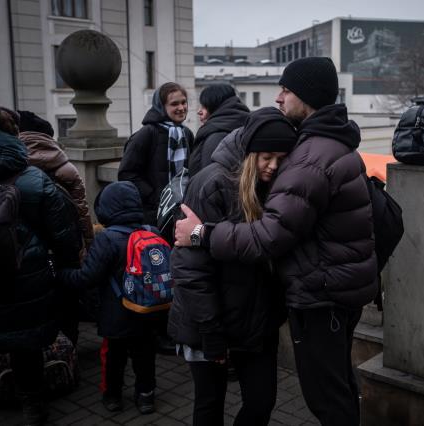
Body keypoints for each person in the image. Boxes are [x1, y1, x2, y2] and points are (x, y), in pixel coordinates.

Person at [175, 57, 378, 425]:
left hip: (319, 297)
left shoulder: (309, 158)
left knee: (326, 397)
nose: (280, 97)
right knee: (333, 389)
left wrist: (203, 234)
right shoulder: (332, 144)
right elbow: (191, 273)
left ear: (307, 95)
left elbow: (269, 236)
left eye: (286, 89)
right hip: (320, 294)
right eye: (266, 158)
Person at [168, 107, 297, 426]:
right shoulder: (211, 182)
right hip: (209, 320)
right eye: (267, 156)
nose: (273, 166)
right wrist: (211, 331)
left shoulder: (276, 186)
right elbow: (191, 268)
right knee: (209, 405)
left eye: (281, 158)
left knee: (261, 402)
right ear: (250, 150)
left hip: (256, 321)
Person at [0, 106, 82, 425]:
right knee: (26, 344)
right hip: (26, 276)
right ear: (15, 135)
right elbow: (65, 234)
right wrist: (65, 269)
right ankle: (33, 406)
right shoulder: (32, 178)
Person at [57, 181, 159, 415]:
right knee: (145, 356)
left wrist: (61, 274)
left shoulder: (107, 238)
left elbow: (87, 277)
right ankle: (146, 396)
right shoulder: (151, 231)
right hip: (148, 311)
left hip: (117, 314)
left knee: (114, 357)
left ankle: (112, 396)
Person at [17, 110, 94, 344]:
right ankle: (67, 357)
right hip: (61, 251)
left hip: (21, 255)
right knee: (65, 304)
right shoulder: (65, 166)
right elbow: (82, 210)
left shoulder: (10, 165)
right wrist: (87, 246)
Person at [118, 81, 195, 226]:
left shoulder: (186, 134)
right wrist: (155, 197)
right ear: (161, 106)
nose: (181, 108)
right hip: (152, 214)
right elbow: (126, 173)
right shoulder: (147, 134)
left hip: (181, 210)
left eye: (184, 102)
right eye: (174, 104)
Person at [188, 84, 249, 176]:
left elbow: (209, 180)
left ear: (215, 107)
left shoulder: (216, 137)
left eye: (204, 107)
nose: (199, 111)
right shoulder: (244, 127)